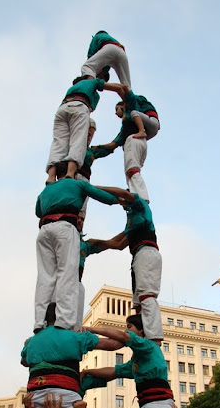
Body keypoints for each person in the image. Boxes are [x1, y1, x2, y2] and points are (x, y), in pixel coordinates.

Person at [22, 303, 123, 408]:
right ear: (64, 317)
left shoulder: (32, 342)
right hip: (65, 396)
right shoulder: (75, 336)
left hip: (35, 397)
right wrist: (90, 329)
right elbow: (115, 344)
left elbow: (24, 361)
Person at [34, 162, 119, 332]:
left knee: (45, 277)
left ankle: (39, 321)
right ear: (72, 172)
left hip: (44, 231)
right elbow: (108, 199)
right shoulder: (77, 183)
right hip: (64, 228)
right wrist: (123, 199)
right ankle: (64, 320)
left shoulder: (45, 191)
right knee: (68, 273)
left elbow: (38, 211)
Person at [80, 314, 173, 408]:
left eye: (129, 327)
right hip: (147, 407)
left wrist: (92, 330)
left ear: (141, 331)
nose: (126, 331)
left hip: (156, 406)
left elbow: (123, 337)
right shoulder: (138, 361)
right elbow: (114, 371)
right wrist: (88, 372)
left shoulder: (149, 346)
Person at [94, 185, 163, 341]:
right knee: (138, 300)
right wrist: (94, 244)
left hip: (147, 252)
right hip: (139, 256)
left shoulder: (141, 206)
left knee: (146, 294)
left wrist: (93, 189)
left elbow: (123, 193)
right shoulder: (131, 220)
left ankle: (154, 338)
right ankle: (142, 334)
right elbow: (118, 244)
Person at [46, 75, 124, 182]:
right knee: (78, 140)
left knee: (58, 143)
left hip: (62, 108)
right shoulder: (92, 82)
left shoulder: (72, 88)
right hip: (79, 105)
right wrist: (127, 95)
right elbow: (118, 88)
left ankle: (51, 177)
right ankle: (70, 173)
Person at [92, 100, 149, 201]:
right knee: (132, 171)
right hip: (141, 144)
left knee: (132, 170)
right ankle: (134, 193)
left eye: (117, 108)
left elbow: (128, 96)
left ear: (124, 106)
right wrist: (98, 147)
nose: (116, 112)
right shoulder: (124, 129)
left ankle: (141, 197)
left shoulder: (131, 112)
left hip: (133, 141)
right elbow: (113, 145)